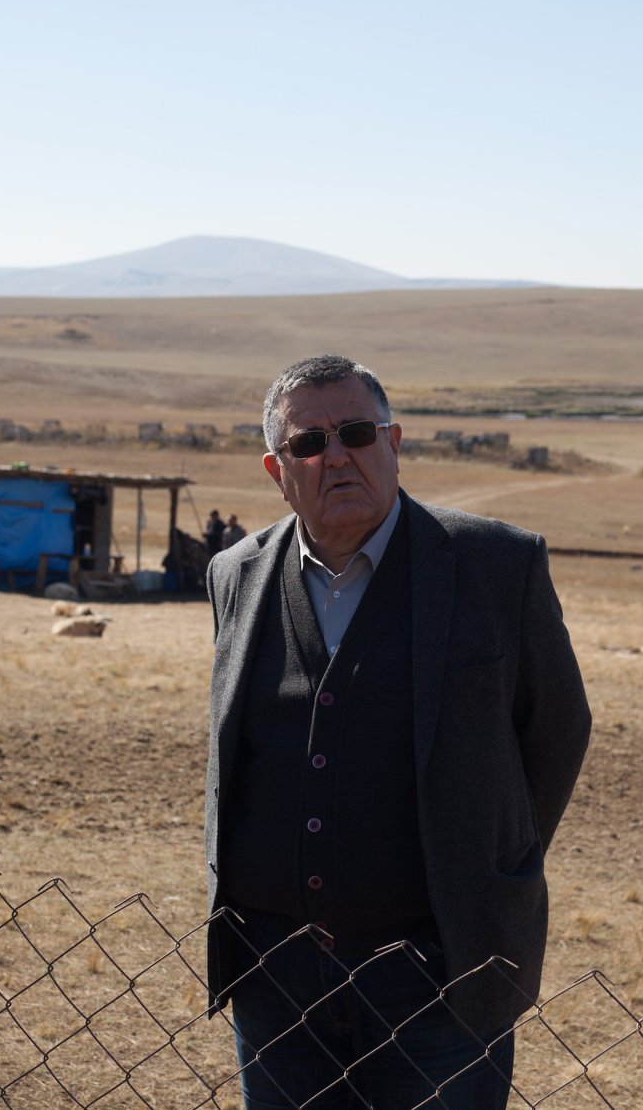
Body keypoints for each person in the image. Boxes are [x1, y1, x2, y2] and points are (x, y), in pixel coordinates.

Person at [204, 354, 591, 1109]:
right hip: (275, 976)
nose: (336, 456)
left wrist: (493, 863)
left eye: (356, 432)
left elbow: (557, 730)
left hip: (441, 971)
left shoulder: (495, 563)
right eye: (308, 443)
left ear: (394, 442)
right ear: (277, 470)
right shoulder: (235, 574)